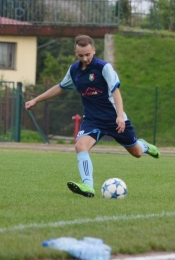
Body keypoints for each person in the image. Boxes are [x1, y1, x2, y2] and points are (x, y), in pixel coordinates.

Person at [25, 34, 160, 198]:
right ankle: (88, 186)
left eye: (88, 54)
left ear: (94, 50)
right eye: (81, 55)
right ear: (76, 53)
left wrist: (119, 116)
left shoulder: (104, 67)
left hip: (113, 119)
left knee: (137, 152)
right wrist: (36, 100)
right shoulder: (74, 70)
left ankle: (144, 145)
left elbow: (116, 92)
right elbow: (60, 87)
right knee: (80, 146)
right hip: (92, 120)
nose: (85, 58)